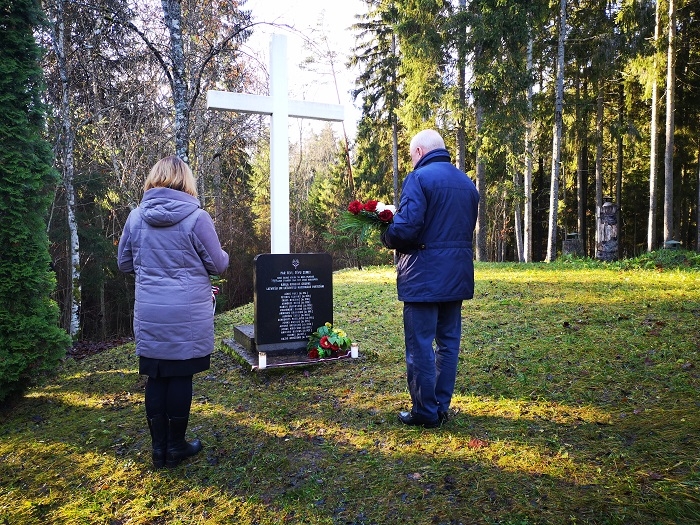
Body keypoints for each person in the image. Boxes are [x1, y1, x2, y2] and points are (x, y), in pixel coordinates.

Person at [117, 156, 229, 468]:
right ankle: (177, 445)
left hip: (151, 311)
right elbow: (218, 264)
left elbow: (124, 263)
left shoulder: (136, 218)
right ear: (187, 181)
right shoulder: (197, 217)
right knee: (180, 375)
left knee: (156, 376)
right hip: (188, 313)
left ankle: (159, 449)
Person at [381, 129, 479, 428]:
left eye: (411, 156)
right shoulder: (468, 184)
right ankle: (440, 406)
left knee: (420, 345)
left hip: (423, 277)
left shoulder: (419, 179)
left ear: (420, 152)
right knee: (448, 343)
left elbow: (407, 229)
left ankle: (425, 411)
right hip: (456, 276)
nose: (411, 162)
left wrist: (386, 233)